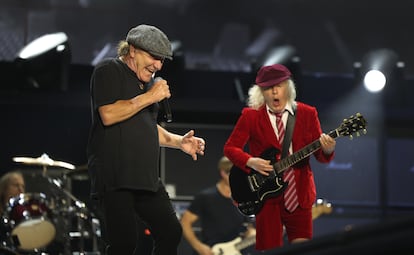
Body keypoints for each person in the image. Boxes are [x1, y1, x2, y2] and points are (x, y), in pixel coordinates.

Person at [86, 24, 206, 255]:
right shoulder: (108, 70)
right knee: (124, 243)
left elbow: (147, 127)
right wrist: (151, 96)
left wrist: (179, 142)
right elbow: (109, 114)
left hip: (145, 179)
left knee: (171, 232)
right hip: (115, 176)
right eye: (153, 57)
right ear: (132, 50)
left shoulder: (147, 85)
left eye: (162, 60)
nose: (158, 65)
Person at [223, 64, 336, 251]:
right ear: (261, 92)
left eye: (279, 85)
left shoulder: (308, 114)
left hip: (300, 194)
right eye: (268, 88)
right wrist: (250, 161)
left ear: (288, 87)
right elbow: (230, 148)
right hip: (265, 196)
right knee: (269, 249)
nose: (274, 91)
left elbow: (320, 157)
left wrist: (328, 150)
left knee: (303, 249)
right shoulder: (251, 116)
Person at [181, 156, 256, 255]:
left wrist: (251, 233)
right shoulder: (206, 197)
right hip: (212, 251)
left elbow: (249, 226)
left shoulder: (244, 198)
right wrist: (198, 246)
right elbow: (185, 223)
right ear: (223, 173)